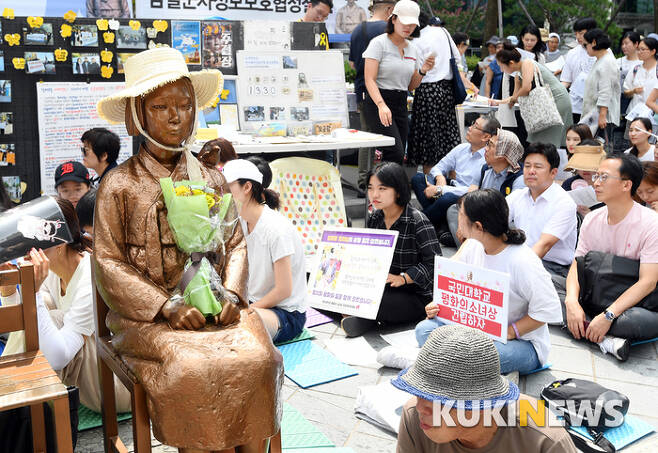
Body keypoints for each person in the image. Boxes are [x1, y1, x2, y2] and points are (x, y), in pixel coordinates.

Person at [93, 48, 282, 451]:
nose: (176, 116)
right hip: (147, 318)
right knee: (192, 367)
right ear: (137, 115)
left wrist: (231, 293)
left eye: (184, 105)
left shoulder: (211, 178)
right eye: (161, 106)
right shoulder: (118, 185)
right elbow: (107, 261)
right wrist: (166, 306)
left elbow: (234, 243)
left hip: (218, 304)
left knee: (259, 358)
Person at [1, 198, 131, 413]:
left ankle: (10, 405)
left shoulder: (91, 277)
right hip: (91, 376)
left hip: (116, 385)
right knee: (42, 312)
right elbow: (18, 330)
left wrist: (31, 293)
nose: (25, 253)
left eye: (31, 245)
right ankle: (10, 402)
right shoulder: (51, 271)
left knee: (49, 317)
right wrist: (8, 290)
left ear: (60, 242)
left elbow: (57, 358)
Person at [415, 190, 563, 374]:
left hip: (520, 343)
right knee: (423, 330)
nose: (457, 219)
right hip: (476, 332)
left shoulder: (523, 261)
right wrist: (438, 305)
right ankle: (453, 361)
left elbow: (548, 310)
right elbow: (452, 284)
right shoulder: (472, 245)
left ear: (478, 226)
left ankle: (443, 360)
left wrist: (510, 331)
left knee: (483, 355)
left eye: (461, 215)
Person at [394, 325, 578, 453]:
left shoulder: (545, 440)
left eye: (439, 399)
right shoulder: (414, 417)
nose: (420, 407)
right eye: (418, 392)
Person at [561, 153, 658, 362]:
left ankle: (588, 326)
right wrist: (571, 302)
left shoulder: (651, 223)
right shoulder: (592, 219)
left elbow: (648, 282)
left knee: (635, 321)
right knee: (548, 288)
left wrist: (608, 315)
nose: (596, 183)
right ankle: (607, 340)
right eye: (596, 176)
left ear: (626, 185)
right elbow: (576, 266)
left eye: (604, 177)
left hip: (632, 305)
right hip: (596, 293)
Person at [341, 162, 441, 337]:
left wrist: (404, 278)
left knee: (378, 302)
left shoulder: (417, 221)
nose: (374, 195)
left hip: (414, 295)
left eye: (382, 189)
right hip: (383, 286)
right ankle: (362, 317)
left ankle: (362, 317)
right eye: (371, 188)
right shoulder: (375, 218)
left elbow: (435, 264)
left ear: (399, 190)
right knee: (336, 291)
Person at [223, 158, 307, 343]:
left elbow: (284, 290)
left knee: (238, 323)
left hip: (285, 314)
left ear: (246, 187)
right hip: (253, 304)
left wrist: (244, 310)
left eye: (228, 189)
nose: (222, 196)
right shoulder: (241, 223)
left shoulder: (276, 229)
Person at [362, 0, 434, 164]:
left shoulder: (413, 48)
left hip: (401, 102)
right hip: (378, 101)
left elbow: (410, 86)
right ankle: (379, 186)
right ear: (393, 19)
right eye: (404, 22)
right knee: (394, 151)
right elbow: (369, 79)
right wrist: (381, 104)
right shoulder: (378, 43)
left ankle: (387, 187)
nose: (408, 27)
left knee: (397, 156)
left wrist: (423, 71)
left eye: (412, 24)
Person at [444, 127, 525, 247]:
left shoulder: (518, 178)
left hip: (500, 222)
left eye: (490, 145)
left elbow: (511, 215)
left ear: (503, 154)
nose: (485, 149)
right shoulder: (486, 169)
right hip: (482, 217)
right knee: (454, 210)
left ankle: (475, 246)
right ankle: (467, 248)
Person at [506, 143, 577, 277]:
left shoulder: (564, 203)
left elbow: (544, 245)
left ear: (553, 173)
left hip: (553, 268)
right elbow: (494, 222)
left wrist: (515, 270)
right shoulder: (518, 196)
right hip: (520, 258)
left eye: (538, 167)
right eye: (527, 166)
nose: (531, 171)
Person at [410, 115, 494, 227]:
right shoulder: (462, 148)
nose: (469, 127)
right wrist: (440, 178)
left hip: (466, 197)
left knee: (447, 199)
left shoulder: (488, 158)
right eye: (472, 123)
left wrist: (441, 189)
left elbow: (474, 191)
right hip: (450, 187)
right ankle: (441, 224)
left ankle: (416, 223)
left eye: (475, 126)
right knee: (418, 178)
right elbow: (438, 167)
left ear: (485, 136)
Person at [349, 0, 396, 191]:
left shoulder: (357, 30)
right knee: (389, 137)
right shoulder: (388, 31)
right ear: (389, 10)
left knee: (366, 137)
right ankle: (384, 180)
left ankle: (363, 181)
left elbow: (352, 64)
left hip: (362, 90)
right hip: (385, 91)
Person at [406, 13, 462, 172]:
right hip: (447, 90)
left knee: (428, 142)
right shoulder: (443, 32)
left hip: (427, 91)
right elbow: (457, 57)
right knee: (448, 138)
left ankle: (429, 182)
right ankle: (451, 181)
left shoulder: (417, 40)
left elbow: (413, 68)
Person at [492, 43, 573, 150]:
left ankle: (551, 163)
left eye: (501, 66)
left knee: (549, 142)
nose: (501, 70)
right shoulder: (517, 75)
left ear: (511, 63)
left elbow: (526, 87)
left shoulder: (527, 63)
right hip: (545, 104)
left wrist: (512, 99)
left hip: (556, 101)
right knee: (539, 141)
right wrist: (495, 102)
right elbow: (515, 97)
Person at [582, 28, 620, 147]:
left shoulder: (607, 62)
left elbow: (605, 90)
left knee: (601, 150)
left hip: (603, 117)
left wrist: (603, 115)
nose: (585, 48)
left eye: (585, 45)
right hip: (594, 114)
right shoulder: (601, 60)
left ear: (593, 42)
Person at [560, 18, 599, 123]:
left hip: (595, 106)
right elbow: (566, 81)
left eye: (581, 33)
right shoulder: (572, 53)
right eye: (576, 33)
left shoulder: (604, 52)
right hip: (575, 106)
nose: (578, 37)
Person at [562, 140, 607, 216]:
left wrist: (590, 215)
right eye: (582, 163)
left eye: (590, 162)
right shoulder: (568, 184)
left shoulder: (609, 184)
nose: (585, 169)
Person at [622, 38, 658, 119]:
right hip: (634, 114)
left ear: (653, 51)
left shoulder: (656, 70)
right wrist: (633, 91)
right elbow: (626, 91)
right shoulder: (635, 69)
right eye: (638, 49)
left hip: (653, 116)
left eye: (643, 49)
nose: (639, 52)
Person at [618, 31, 642, 110]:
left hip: (635, 102)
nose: (624, 46)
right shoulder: (617, 62)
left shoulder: (642, 63)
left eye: (627, 43)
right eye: (622, 44)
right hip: (618, 100)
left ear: (636, 44)